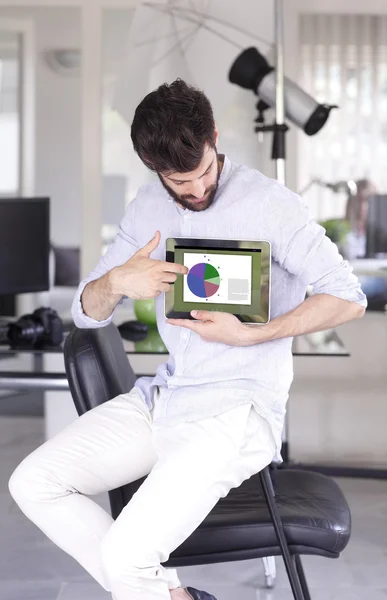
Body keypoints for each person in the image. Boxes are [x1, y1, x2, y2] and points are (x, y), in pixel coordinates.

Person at [9, 79, 367, 600]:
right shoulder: (147, 207)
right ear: (153, 168)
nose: (196, 191)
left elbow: (348, 297)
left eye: (202, 172)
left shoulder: (272, 205)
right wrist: (115, 285)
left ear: (215, 138)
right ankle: (173, 595)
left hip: (236, 410)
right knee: (33, 483)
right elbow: (85, 314)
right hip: (166, 397)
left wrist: (254, 335)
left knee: (126, 557)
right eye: (179, 182)